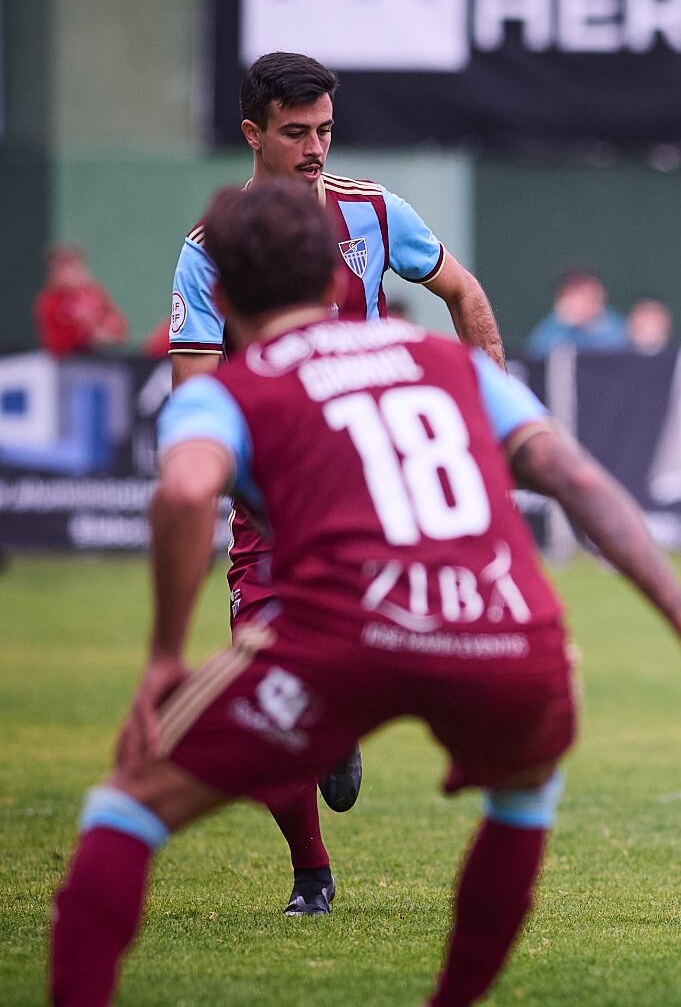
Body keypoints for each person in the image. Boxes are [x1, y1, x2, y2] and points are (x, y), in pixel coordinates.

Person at [49, 180, 681, 1007]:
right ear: (334, 281)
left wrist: (163, 658)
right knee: (525, 792)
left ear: (217, 295)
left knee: (126, 805)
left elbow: (183, 494)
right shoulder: (446, 363)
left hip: (340, 636)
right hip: (507, 638)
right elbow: (572, 475)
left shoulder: (225, 394)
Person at [165, 51, 510, 916]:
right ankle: (310, 874)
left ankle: (341, 722)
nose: (315, 149)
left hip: (375, 494)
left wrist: (490, 414)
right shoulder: (212, 254)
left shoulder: (374, 212)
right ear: (252, 134)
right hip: (274, 510)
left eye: (324, 130)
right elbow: (195, 395)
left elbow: (464, 293)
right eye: (295, 133)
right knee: (266, 686)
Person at [34, 246, 128, 358]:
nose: (70, 273)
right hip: (69, 362)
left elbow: (119, 326)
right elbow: (56, 344)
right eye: (63, 268)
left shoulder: (93, 293)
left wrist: (105, 331)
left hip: (101, 358)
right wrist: (82, 330)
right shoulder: (49, 301)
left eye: (74, 266)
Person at [524, 270, 627, 359]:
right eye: (570, 293)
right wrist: (562, 323)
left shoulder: (613, 325)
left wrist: (588, 326)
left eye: (581, 293)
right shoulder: (556, 323)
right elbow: (535, 354)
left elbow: (614, 357)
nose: (575, 301)